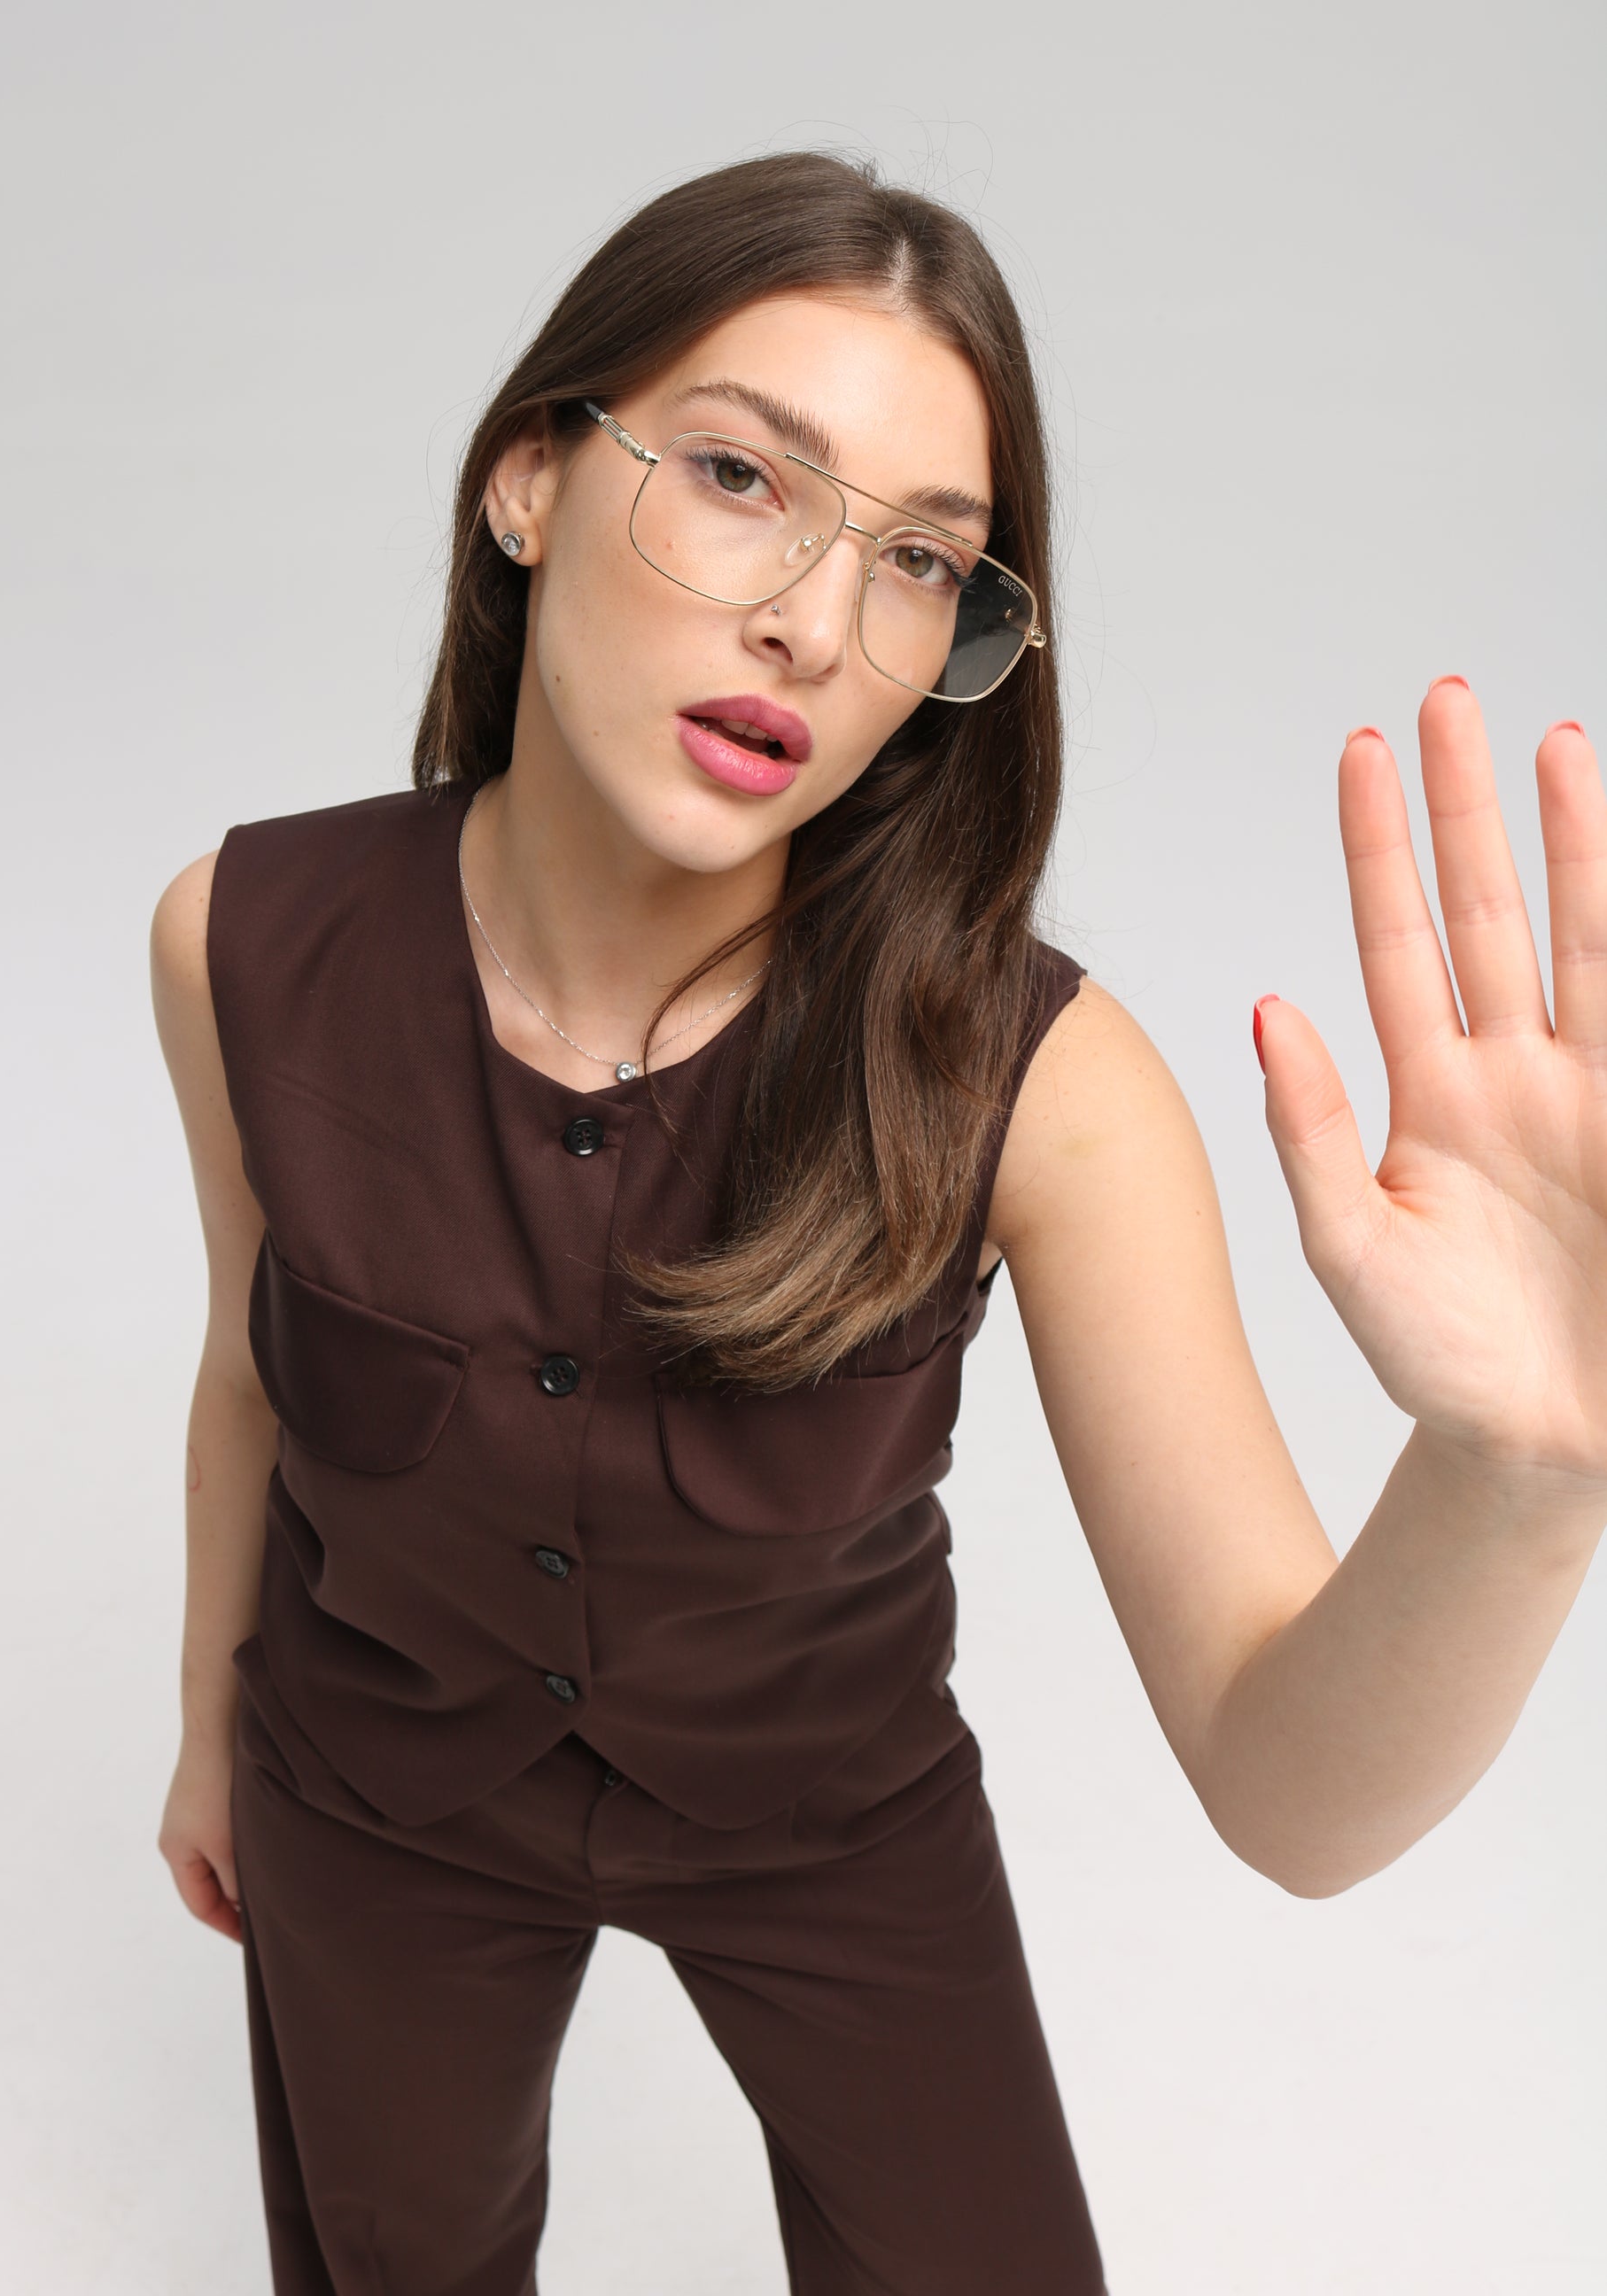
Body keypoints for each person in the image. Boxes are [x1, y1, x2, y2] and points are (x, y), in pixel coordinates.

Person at [149, 149, 1607, 2296]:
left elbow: (1287, 1795)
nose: (816, 629)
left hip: (827, 1813)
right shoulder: (240, 938)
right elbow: (248, 1382)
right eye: (741, 475)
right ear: (528, 480)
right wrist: (212, 1733)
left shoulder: (1044, 1088)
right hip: (367, 1793)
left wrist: (1522, 1477)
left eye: (921, 560)